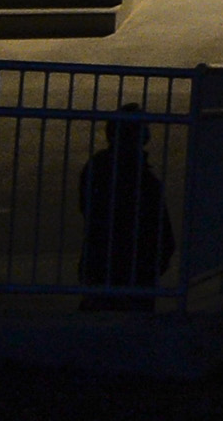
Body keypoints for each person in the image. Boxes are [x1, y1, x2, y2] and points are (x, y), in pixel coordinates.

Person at [77, 108, 178, 310]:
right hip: (136, 266)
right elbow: (158, 225)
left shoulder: (98, 167)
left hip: (102, 263)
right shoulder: (141, 177)